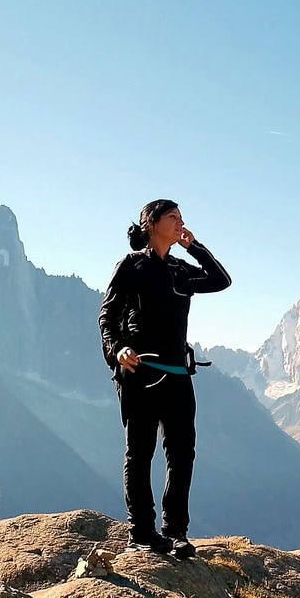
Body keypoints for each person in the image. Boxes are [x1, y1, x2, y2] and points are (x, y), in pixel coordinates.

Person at [98, 199, 231, 558]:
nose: (180, 223)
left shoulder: (179, 269)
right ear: (152, 223)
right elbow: (107, 316)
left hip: (177, 374)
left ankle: (175, 532)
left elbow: (221, 281)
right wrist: (118, 350)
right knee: (140, 453)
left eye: (182, 218)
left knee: (182, 453)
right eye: (173, 217)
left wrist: (195, 247)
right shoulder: (131, 266)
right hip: (139, 374)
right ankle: (141, 531)